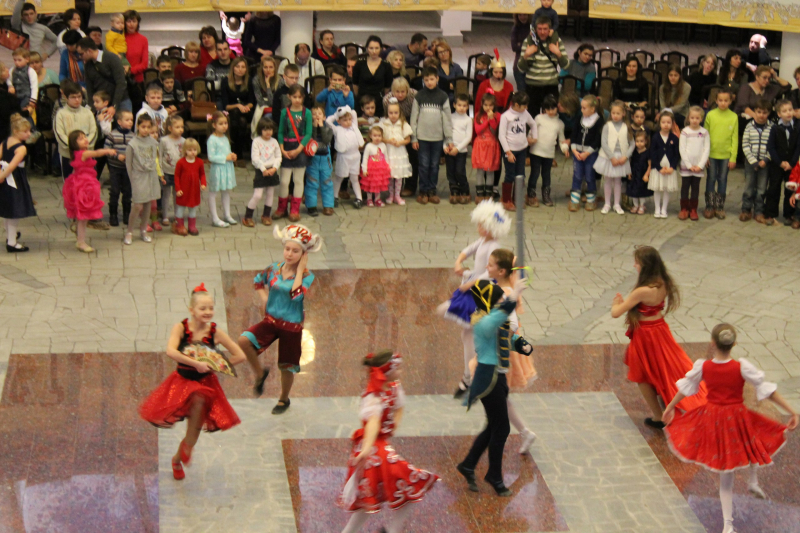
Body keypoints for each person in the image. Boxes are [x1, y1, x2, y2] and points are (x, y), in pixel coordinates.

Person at [663, 324, 798, 533]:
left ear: (712, 343)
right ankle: (753, 482)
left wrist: (670, 407)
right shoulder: (741, 366)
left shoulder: (704, 366)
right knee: (753, 441)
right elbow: (768, 391)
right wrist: (792, 410)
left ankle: (728, 525)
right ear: (734, 344)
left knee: (727, 471)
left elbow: (686, 389)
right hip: (737, 416)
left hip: (714, 418)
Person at [138, 284, 247, 480]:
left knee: (194, 430)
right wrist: (195, 363)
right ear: (192, 310)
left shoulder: (215, 333)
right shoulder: (181, 328)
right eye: (202, 308)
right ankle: (183, 451)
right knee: (198, 398)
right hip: (181, 382)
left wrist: (218, 365)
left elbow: (240, 355)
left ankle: (178, 456)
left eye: (211, 308)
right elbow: (171, 351)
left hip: (205, 383)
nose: (208, 312)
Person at [338, 350, 439, 533]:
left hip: (378, 447)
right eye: (397, 368)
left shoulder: (393, 386)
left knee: (369, 501)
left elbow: (399, 408)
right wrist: (366, 450)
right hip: (374, 449)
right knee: (409, 483)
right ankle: (392, 530)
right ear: (388, 370)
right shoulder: (373, 395)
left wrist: (393, 425)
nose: (400, 372)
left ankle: (389, 530)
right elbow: (372, 425)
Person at [611, 246, 707, 429]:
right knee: (668, 366)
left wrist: (616, 303)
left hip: (645, 336)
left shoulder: (642, 291)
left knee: (642, 374)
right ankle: (671, 400)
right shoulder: (663, 282)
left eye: (637, 263)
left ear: (645, 266)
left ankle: (658, 416)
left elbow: (616, 313)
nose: (634, 265)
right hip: (661, 330)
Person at [456, 277, 532, 497]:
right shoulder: (481, 320)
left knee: (493, 426)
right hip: (489, 379)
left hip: (498, 376)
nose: (501, 299)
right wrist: (514, 294)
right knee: (502, 428)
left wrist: (521, 345)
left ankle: (468, 464)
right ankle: (495, 477)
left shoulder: (491, 316)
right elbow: (495, 323)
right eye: (498, 297)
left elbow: (504, 338)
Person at [240, 223, 321, 412]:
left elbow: (296, 296)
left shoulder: (308, 276)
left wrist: (300, 271)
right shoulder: (273, 268)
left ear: (303, 255)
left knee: (287, 366)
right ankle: (260, 374)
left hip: (291, 326)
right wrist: (264, 299)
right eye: (287, 249)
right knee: (244, 341)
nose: (289, 254)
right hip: (270, 321)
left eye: (295, 251)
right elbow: (258, 281)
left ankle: (284, 399)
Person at [440, 200, 510, 397]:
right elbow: (469, 249)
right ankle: (471, 375)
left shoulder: (493, 246)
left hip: (482, 290)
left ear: (489, 228)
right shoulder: (484, 241)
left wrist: (470, 283)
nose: (478, 228)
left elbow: (490, 273)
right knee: (469, 333)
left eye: (481, 225)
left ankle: (471, 377)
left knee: (470, 333)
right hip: (475, 286)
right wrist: (459, 260)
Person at [63, 130, 115, 252]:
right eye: (80, 139)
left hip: (85, 184)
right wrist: (108, 151)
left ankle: (80, 237)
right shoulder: (83, 153)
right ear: (74, 144)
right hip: (84, 186)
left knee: (83, 216)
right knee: (83, 216)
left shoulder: (78, 154)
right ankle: (80, 241)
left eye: (85, 136)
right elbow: (96, 153)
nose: (85, 139)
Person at [410, 66, 453, 205]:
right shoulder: (419, 96)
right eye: (426, 79)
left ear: (437, 79)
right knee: (423, 164)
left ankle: (432, 190)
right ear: (423, 80)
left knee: (434, 165)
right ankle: (423, 191)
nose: (429, 82)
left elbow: (447, 119)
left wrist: (449, 138)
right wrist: (414, 137)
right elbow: (413, 118)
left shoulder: (443, 96)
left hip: (437, 138)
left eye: (432, 79)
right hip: (422, 138)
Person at [517, 17, 568, 116]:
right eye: (539, 29)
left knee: (552, 116)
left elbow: (566, 66)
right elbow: (520, 68)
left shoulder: (557, 41)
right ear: (535, 29)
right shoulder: (528, 42)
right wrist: (526, 55)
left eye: (545, 29)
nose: (542, 32)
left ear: (550, 30)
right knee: (531, 117)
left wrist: (558, 53)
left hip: (551, 86)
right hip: (532, 87)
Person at [0, 114, 36, 253]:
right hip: (14, 180)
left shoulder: (5, 141)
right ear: (16, 131)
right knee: (14, 210)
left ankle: (11, 235)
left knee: (7, 209)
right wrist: (2, 176)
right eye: (25, 131)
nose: (29, 134)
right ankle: (12, 242)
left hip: (5, 177)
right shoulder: (21, 148)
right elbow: (12, 166)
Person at [124, 114, 162, 245]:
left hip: (151, 175)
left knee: (148, 204)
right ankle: (129, 231)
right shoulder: (132, 144)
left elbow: (157, 158)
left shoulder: (153, 142)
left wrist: (158, 173)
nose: (145, 129)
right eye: (143, 127)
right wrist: (132, 180)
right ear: (138, 127)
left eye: (148, 127)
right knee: (137, 205)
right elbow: (128, 164)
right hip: (138, 176)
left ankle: (143, 229)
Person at [277, 85, 312, 221]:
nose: (297, 100)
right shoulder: (284, 112)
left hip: (300, 148)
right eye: (294, 97)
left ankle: (295, 210)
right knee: (284, 181)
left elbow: (308, 133)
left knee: (298, 180)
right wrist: (282, 149)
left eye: (300, 97)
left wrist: (299, 149)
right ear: (289, 97)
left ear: (303, 98)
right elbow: (280, 131)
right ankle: (281, 208)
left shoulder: (307, 113)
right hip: (286, 146)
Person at [704, 89, 738, 219]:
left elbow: (735, 138)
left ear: (730, 101)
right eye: (720, 100)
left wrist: (733, 157)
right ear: (716, 101)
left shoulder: (733, 117)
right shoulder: (711, 115)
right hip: (711, 154)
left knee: (722, 179)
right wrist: (705, 155)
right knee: (711, 179)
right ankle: (709, 205)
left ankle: (719, 206)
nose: (723, 103)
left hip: (725, 156)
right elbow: (705, 135)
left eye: (726, 100)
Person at [498, 91, 535, 212]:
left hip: (522, 149)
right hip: (511, 151)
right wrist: (508, 152)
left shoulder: (525, 113)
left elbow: (533, 124)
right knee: (510, 175)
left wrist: (533, 136)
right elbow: (501, 136)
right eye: (524, 106)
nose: (526, 108)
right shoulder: (506, 116)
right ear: (517, 105)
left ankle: (517, 198)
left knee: (520, 175)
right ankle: (507, 200)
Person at [594, 100, 633, 215]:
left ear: (623, 114)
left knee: (618, 181)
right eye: (613, 113)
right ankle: (607, 203)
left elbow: (632, 144)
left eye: (618, 113)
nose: (615, 116)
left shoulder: (626, 127)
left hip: (621, 158)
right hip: (608, 158)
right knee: (607, 180)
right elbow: (604, 142)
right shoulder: (607, 126)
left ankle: (617, 204)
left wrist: (625, 156)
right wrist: (611, 157)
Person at [765, 99, 799, 226]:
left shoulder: (796, 127)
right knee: (773, 188)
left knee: (790, 189)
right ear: (779, 114)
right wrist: (780, 162)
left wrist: (792, 163)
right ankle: (770, 213)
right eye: (784, 111)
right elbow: (771, 147)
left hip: (791, 165)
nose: (788, 113)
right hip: (777, 164)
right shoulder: (775, 128)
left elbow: (798, 147)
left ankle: (789, 214)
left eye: (790, 110)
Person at [529, 95, 567, 208]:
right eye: (547, 109)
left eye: (553, 108)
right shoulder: (539, 118)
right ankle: (531, 195)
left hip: (549, 153)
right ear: (544, 109)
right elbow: (532, 131)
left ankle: (546, 196)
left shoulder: (560, 123)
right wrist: (529, 139)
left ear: (557, 108)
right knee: (534, 173)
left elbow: (562, 139)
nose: (550, 111)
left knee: (546, 175)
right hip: (536, 151)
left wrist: (564, 148)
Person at [383, 78, 418, 198]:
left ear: (408, 90)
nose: (400, 94)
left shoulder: (414, 95)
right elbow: (386, 114)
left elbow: (417, 113)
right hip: (393, 122)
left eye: (403, 91)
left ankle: (410, 186)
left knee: (411, 157)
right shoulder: (387, 99)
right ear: (392, 91)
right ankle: (392, 189)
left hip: (409, 121)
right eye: (397, 91)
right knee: (394, 159)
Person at [55, 80, 97, 179]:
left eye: (79, 96)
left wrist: (84, 146)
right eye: (73, 97)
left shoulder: (88, 113)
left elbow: (93, 133)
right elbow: (60, 135)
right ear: (66, 97)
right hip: (68, 155)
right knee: (71, 185)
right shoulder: (61, 114)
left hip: (87, 154)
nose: (77, 100)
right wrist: (75, 148)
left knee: (89, 183)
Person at [78, 37, 131, 115]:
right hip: (102, 105)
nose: (80, 57)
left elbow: (121, 83)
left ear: (89, 51)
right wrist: (92, 106)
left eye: (81, 54)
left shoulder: (111, 58)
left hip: (121, 101)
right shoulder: (88, 65)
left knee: (124, 125)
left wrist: (114, 105)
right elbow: (90, 88)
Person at [569, 95, 604, 212]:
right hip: (577, 152)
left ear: (592, 109)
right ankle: (574, 200)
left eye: (584, 108)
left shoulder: (599, 121)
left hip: (591, 154)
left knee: (590, 176)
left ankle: (591, 200)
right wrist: (574, 150)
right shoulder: (579, 118)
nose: (581, 110)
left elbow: (597, 140)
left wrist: (587, 153)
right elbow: (573, 135)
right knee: (577, 175)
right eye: (581, 108)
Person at [245, 118, 281, 227]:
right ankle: (248, 216)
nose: (268, 132)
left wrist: (274, 168)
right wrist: (263, 169)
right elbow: (255, 158)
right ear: (260, 130)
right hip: (262, 170)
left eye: (270, 129)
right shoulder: (256, 141)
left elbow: (278, 157)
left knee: (270, 194)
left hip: (272, 170)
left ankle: (266, 215)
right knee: (258, 195)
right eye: (265, 129)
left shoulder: (274, 142)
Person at [740, 100, 772, 223]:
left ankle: (759, 211)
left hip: (765, 163)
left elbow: (772, 146)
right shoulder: (749, 126)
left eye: (764, 112)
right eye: (759, 112)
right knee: (749, 187)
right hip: (750, 163)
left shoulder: (771, 127)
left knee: (762, 189)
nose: (761, 115)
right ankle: (746, 210)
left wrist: (766, 159)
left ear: (769, 113)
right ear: (755, 112)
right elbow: (745, 144)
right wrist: (753, 161)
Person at [328, 106, 365, 208]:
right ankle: (334, 196)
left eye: (349, 119)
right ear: (339, 121)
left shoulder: (354, 126)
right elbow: (328, 121)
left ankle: (359, 198)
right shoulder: (337, 129)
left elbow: (353, 112)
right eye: (345, 120)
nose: (348, 122)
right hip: (343, 157)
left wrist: (347, 110)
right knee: (339, 177)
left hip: (355, 156)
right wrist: (336, 115)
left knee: (354, 178)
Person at [678, 106, 710, 221]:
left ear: (701, 119)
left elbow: (706, 149)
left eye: (697, 118)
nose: (695, 120)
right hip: (687, 166)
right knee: (685, 187)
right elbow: (682, 149)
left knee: (695, 188)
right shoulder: (685, 132)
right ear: (688, 118)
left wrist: (700, 165)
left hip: (698, 167)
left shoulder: (704, 132)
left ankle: (693, 209)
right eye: (692, 118)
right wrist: (688, 165)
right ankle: (684, 209)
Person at [206, 111, 238, 228]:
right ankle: (215, 217)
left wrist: (231, 156)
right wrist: (226, 158)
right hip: (217, 169)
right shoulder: (212, 140)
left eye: (225, 123)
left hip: (226, 168)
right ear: (214, 125)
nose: (224, 126)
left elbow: (226, 151)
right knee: (213, 192)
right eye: (221, 123)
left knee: (226, 191)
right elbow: (211, 157)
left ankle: (227, 214)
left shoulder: (225, 137)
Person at [104, 109, 134, 227]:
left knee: (127, 191)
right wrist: (117, 156)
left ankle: (127, 214)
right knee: (115, 191)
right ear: (119, 122)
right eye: (127, 120)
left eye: (131, 120)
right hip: (115, 168)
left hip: (128, 169)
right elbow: (107, 150)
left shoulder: (133, 136)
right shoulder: (112, 135)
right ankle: (113, 215)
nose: (130, 122)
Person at [220, 57, 254, 162]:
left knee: (241, 119)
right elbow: (225, 105)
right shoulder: (225, 81)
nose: (240, 69)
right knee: (238, 119)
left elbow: (252, 101)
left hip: (246, 111)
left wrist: (246, 107)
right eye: (237, 66)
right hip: (232, 111)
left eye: (243, 67)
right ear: (233, 68)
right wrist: (238, 106)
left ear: (246, 69)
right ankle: (238, 153)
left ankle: (235, 151)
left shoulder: (249, 81)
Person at [380, 97, 413, 205]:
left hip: (399, 152)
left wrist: (400, 142)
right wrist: (388, 140)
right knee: (390, 174)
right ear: (387, 113)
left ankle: (397, 195)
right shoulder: (384, 123)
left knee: (398, 175)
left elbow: (408, 139)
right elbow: (380, 138)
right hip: (388, 152)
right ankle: (390, 195)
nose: (393, 115)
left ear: (400, 113)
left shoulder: (403, 124)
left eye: (395, 113)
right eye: (390, 113)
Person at [648, 110, 680, 219]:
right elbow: (653, 153)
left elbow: (676, 155)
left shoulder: (674, 138)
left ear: (672, 124)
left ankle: (664, 209)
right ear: (659, 123)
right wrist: (658, 167)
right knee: (657, 188)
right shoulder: (655, 137)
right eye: (663, 122)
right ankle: (657, 208)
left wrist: (672, 167)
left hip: (669, 167)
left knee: (667, 188)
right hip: (658, 167)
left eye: (668, 122)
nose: (666, 125)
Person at [304, 106, 335, 216]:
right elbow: (310, 138)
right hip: (313, 159)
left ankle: (328, 205)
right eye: (314, 114)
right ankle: (311, 206)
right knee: (312, 182)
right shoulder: (309, 129)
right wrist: (314, 127)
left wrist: (321, 126)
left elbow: (326, 140)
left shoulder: (328, 129)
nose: (317, 116)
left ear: (324, 117)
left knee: (327, 182)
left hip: (325, 158)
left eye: (319, 114)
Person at [353, 36, 393, 117]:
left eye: (376, 48)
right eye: (371, 48)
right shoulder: (359, 63)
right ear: (367, 48)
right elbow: (355, 84)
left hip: (379, 101)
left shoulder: (386, 65)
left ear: (381, 49)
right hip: (362, 101)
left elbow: (387, 87)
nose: (374, 51)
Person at [173, 138, 206, 236]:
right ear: (185, 150)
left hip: (194, 190)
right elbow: (177, 176)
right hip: (183, 190)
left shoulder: (199, 162)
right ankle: (180, 225)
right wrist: (178, 189)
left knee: (193, 209)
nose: (193, 152)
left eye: (195, 150)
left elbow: (202, 174)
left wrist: (203, 183)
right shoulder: (181, 163)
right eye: (190, 150)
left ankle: (192, 226)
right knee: (180, 209)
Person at [472, 94, 502, 203]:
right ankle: (480, 193)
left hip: (491, 144)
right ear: (482, 105)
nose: (488, 108)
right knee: (480, 170)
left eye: (490, 105)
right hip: (480, 145)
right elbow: (478, 130)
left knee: (490, 170)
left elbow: (495, 130)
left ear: (494, 105)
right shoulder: (478, 116)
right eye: (485, 105)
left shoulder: (498, 115)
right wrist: (487, 121)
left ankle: (489, 193)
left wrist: (492, 119)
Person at [446, 94, 472, 204]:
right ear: (454, 105)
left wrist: (458, 148)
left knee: (459, 171)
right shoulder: (450, 117)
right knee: (450, 172)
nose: (462, 108)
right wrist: (445, 146)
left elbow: (468, 137)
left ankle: (464, 190)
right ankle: (454, 191)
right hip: (449, 149)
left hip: (461, 151)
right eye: (459, 105)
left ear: (468, 107)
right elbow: (446, 133)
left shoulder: (468, 120)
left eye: (464, 106)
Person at [159, 115, 185, 228]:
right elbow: (159, 156)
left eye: (182, 127)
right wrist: (160, 172)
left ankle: (177, 215)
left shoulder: (184, 141)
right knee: (166, 194)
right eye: (177, 127)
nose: (180, 129)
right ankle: (165, 215)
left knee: (177, 194)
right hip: (166, 172)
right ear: (170, 128)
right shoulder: (164, 141)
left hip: (179, 173)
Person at [359, 125, 391, 207]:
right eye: (375, 135)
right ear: (370, 136)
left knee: (378, 185)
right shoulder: (369, 146)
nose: (377, 138)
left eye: (379, 136)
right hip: (371, 169)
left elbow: (386, 156)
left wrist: (388, 166)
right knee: (370, 184)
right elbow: (365, 158)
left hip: (380, 169)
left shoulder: (383, 145)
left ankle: (377, 199)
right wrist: (364, 169)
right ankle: (369, 199)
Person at [475, 51, 514, 116]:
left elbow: (510, 105)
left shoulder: (509, 86)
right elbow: (478, 104)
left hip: (503, 115)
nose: (498, 75)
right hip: (485, 115)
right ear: (491, 72)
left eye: (500, 72)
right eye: (495, 72)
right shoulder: (484, 84)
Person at [251, 56, 279, 136]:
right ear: (262, 68)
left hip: (277, 108)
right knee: (265, 117)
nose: (268, 70)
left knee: (269, 116)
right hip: (261, 106)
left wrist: (268, 86)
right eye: (265, 67)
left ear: (275, 68)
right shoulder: (256, 80)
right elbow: (260, 101)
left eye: (271, 67)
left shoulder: (280, 81)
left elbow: (274, 102)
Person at [627, 131, 652, 215]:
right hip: (634, 174)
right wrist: (629, 172)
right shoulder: (633, 152)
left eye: (641, 141)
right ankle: (635, 205)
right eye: (637, 141)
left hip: (642, 174)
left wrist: (646, 174)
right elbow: (630, 162)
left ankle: (641, 205)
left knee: (642, 191)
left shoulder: (648, 152)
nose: (639, 143)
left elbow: (650, 165)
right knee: (634, 191)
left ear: (646, 141)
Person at [8, 47, 38, 114]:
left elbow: (34, 87)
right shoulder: (12, 70)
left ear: (27, 60)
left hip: (26, 97)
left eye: (19, 60)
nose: (16, 62)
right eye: (15, 60)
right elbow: (8, 79)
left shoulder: (30, 71)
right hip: (15, 96)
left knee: (24, 112)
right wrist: (10, 86)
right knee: (15, 112)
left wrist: (33, 100)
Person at [123, 10, 148, 84]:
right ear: (124, 23)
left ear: (138, 23)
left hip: (137, 80)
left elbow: (144, 64)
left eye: (134, 21)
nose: (131, 24)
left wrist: (130, 70)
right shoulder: (119, 38)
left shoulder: (143, 39)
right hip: (121, 79)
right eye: (128, 21)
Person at [510, 14, 531, 92]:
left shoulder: (533, 28)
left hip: (531, 65)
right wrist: (527, 45)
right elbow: (514, 47)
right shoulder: (515, 28)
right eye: (520, 15)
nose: (522, 17)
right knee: (521, 90)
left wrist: (520, 44)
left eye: (525, 15)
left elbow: (535, 45)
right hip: (518, 65)